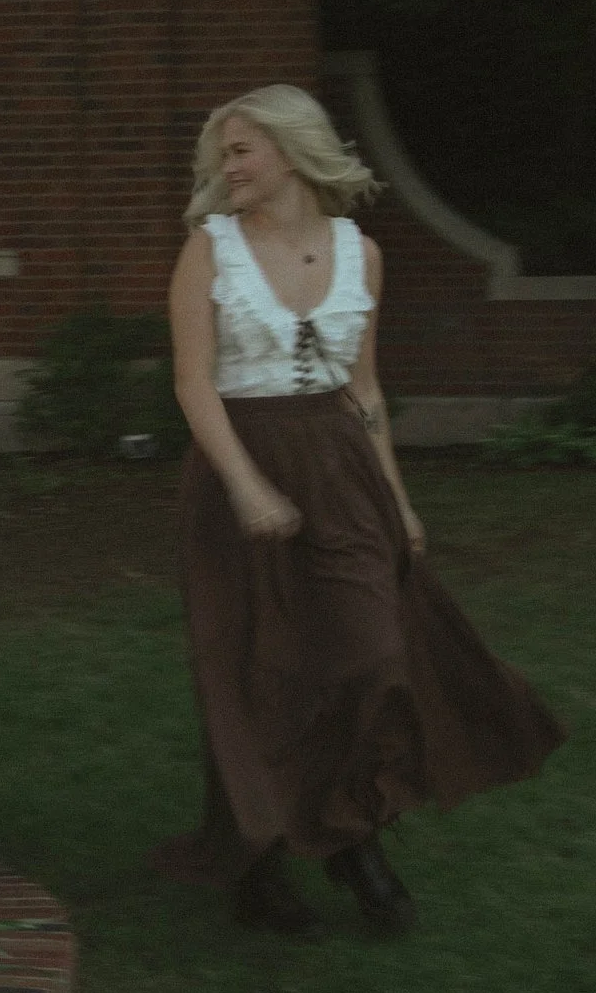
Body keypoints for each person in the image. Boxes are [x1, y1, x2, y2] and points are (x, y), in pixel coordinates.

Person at [152, 84, 563, 937]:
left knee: (372, 655)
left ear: (292, 152)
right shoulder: (209, 250)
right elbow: (194, 382)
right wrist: (246, 485)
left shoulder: (360, 252)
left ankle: (349, 835)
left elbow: (363, 387)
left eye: (240, 151)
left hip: (341, 469)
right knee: (259, 672)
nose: (224, 167)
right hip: (240, 460)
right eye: (220, 153)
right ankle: (260, 867)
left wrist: (399, 501)